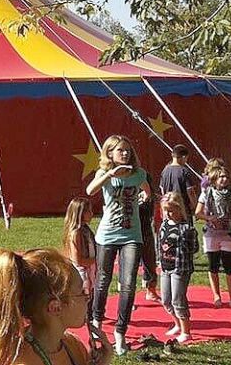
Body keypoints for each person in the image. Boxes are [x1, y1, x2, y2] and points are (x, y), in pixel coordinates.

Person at [0, 248, 114, 365]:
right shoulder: (21, 360)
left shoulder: (72, 345)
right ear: (55, 307)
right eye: (82, 292)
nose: (87, 298)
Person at [85, 134, 150, 355]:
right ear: (110, 153)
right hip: (108, 235)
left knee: (128, 283)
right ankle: (97, 325)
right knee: (103, 280)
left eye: (127, 150)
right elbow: (90, 191)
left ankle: (120, 333)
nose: (125, 153)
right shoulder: (104, 173)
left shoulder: (139, 174)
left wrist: (144, 196)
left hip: (132, 235)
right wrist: (110, 175)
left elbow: (147, 190)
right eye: (120, 150)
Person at [195, 165, 231, 308]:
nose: (225, 179)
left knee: (229, 265)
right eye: (221, 177)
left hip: (227, 233)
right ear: (214, 179)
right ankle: (216, 295)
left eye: (226, 176)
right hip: (211, 234)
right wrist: (210, 218)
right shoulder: (206, 193)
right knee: (213, 265)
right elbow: (197, 213)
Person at [157, 192, 199, 343]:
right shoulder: (164, 225)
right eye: (165, 210)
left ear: (179, 209)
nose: (168, 214)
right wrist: (160, 261)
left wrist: (183, 248)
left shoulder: (187, 228)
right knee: (166, 299)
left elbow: (194, 248)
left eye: (171, 210)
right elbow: (160, 244)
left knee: (178, 299)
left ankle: (186, 331)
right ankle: (177, 324)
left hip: (179, 269)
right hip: (165, 267)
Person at [62, 197, 96, 303]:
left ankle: (90, 314)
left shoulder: (86, 230)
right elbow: (78, 260)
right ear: (80, 213)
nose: (92, 214)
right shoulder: (76, 233)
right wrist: (96, 260)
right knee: (84, 297)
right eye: (88, 211)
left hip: (89, 269)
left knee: (91, 294)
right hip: (81, 272)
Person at [138, 170, 161, 301]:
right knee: (131, 264)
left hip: (146, 230)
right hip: (132, 231)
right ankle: (127, 295)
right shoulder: (130, 195)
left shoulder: (152, 196)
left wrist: (157, 227)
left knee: (150, 261)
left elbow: (156, 213)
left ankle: (150, 289)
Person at [159, 144, 198, 217]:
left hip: (169, 208)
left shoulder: (165, 171)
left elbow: (162, 190)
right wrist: (195, 207)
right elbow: (190, 192)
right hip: (182, 209)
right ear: (184, 157)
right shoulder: (184, 171)